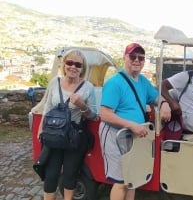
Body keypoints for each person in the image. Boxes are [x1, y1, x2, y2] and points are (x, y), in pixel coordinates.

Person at [99, 43, 170, 200]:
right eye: (133, 56)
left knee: (132, 180)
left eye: (141, 57)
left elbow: (156, 97)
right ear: (125, 58)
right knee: (120, 181)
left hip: (133, 134)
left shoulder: (142, 81)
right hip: (115, 135)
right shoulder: (115, 83)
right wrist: (132, 125)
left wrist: (164, 104)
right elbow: (105, 115)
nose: (137, 60)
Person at [37, 49, 98, 200]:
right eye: (70, 63)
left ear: (82, 69)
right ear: (64, 65)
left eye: (78, 64)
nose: (73, 67)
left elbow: (95, 116)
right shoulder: (54, 82)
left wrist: (82, 105)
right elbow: (48, 107)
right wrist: (41, 128)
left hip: (74, 137)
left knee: (70, 175)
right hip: (54, 135)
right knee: (51, 175)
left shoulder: (88, 87)